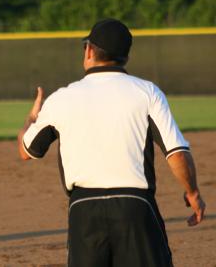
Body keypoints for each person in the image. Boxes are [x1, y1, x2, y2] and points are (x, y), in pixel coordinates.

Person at [17, 18, 206, 267]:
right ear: (125, 56)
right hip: (135, 207)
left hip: (84, 212)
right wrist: (192, 193)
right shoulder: (147, 92)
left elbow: (26, 151)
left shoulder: (62, 98)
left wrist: (31, 119)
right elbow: (177, 154)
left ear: (89, 50)